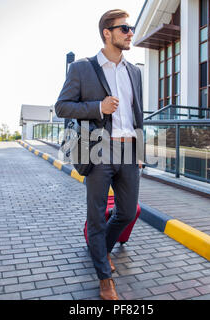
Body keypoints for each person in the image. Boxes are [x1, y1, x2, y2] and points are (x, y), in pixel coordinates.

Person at [55, 9, 143, 300]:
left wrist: (139, 150)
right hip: (98, 150)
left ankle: (101, 252)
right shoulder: (82, 68)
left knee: (127, 212)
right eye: (125, 28)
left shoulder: (135, 72)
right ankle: (105, 279)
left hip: (129, 151)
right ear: (108, 33)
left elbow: (136, 116)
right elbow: (62, 107)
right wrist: (98, 108)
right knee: (95, 218)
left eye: (131, 29)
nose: (130, 33)